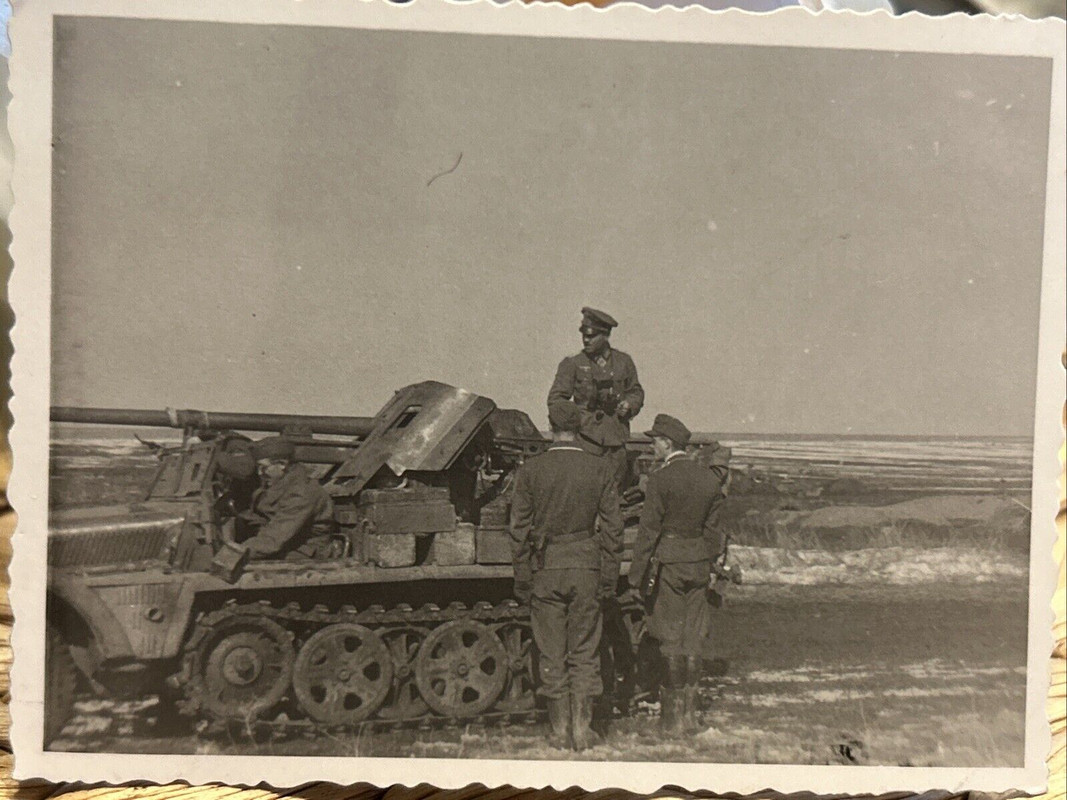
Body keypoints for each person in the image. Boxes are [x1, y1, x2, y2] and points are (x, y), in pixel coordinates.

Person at [509, 400, 624, 752]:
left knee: (551, 651)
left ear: (549, 425)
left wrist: (523, 576)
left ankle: (559, 732)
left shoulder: (531, 469)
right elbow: (613, 529)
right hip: (586, 567)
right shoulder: (599, 468)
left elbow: (518, 530)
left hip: (546, 569)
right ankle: (583, 732)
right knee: (586, 651)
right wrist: (609, 574)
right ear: (580, 426)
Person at [627, 414, 727, 736]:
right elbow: (714, 533)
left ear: (667, 444)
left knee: (670, 639)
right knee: (693, 639)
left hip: (668, 564)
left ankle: (670, 724)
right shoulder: (709, 480)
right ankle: (690, 719)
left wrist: (635, 578)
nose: (652, 446)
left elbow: (648, 532)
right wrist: (710, 564)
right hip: (698, 564)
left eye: (655, 440)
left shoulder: (660, 479)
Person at [547, 307, 644, 491]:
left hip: (615, 444)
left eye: (591, 336)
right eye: (584, 335)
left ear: (605, 335)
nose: (585, 340)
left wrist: (629, 405)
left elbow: (636, 391)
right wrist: (573, 421)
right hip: (585, 441)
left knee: (614, 496)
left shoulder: (624, 362)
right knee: (583, 493)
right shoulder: (573, 364)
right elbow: (556, 400)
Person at [239, 435, 336, 560]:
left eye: (263, 467)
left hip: (306, 550)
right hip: (285, 541)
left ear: (282, 464)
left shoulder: (303, 492)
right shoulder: (279, 484)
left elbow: (274, 538)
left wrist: (234, 554)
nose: (259, 473)